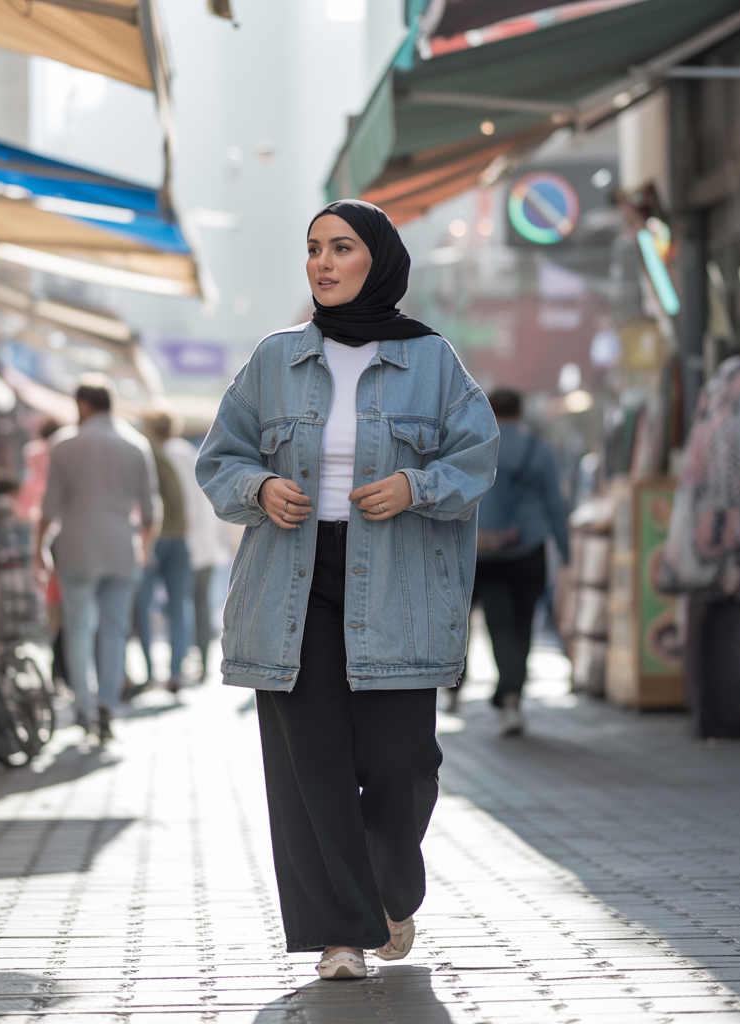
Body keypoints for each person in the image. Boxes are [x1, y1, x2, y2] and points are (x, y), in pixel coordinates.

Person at [196, 199, 499, 981]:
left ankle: (390, 889)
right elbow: (218, 459)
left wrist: (416, 485)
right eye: (312, 249)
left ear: (380, 259)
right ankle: (339, 934)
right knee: (314, 768)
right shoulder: (274, 358)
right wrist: (260, 488)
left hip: (396, 584)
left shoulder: (432, 361)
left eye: (341, 248)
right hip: (291, 585)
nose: (322, 263)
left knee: (404, 763)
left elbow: (476, 461)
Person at [39, 384, 159, 742]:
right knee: (114, 629)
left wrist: (39, 549)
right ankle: (107, 703)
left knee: (78, 629)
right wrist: (144, 547)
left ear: (83, 405)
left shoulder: (64, 446)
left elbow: (49, 508)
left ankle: (84, 706)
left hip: (76, 548)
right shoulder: (136, 445)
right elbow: (151, 511)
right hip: (122, 548)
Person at [659, 357, 740, 739]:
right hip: (728, 548)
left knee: (705, 633)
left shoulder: (704, 422)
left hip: (701, 549)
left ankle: (707, 718)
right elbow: (736, 492)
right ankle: (728, 721)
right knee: (733, 634)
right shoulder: (735, 426)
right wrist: (739, 547)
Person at [467, 388, 568, 735]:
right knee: (525, 623)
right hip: (530, 548)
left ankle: (509, 692)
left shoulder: (475, 446)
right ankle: (513, 694)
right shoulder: (538, 450)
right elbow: (556, 504)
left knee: (501, 626)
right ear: (521, 410)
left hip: (488, 551)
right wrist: (566, 552)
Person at [159, 413, 234, 682]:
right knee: (200, 604)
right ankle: (202, 661)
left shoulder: (162, 456)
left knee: (180, 604)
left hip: (183, 541)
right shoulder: (192, 453)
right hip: (207, 542)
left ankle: (182, 662)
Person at [135, 414, 192, 695]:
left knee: (143, 607)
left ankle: (148, 673)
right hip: (180, 536)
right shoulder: (187, 454)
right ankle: (175, 672)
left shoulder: (148, 453)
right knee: (178, 608)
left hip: (155, 537)